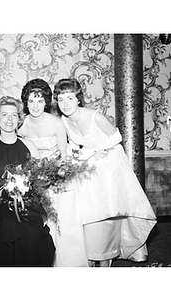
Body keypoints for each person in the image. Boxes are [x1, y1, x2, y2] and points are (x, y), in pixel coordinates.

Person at [53, 77, 157, 267]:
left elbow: (116, 137)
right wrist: (78, 156)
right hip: (89, 162)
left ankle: (106, 256)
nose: (65, 104)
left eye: (69, 98)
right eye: (61, 99)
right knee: (87, 212)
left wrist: (94, 151)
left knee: (108, 210)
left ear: (78, 99)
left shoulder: (95, 116)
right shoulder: (64, 120)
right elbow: (75, 144)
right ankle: (93, 252)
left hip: (110, 160)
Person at [18, 78, 89, 266]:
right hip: (33, 179)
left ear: (47, 102)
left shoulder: (57, 123)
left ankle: (67, 263)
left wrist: (54, 174)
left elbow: (64, 158)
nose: (35, 105)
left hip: (57, 177)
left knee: (63, 220)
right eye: (31, 100)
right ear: (25, 102)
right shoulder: (21, 125)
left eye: (40, 100)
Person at [0, 96, 55, 266]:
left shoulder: (28, 144)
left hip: (28, 203)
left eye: (14, 115)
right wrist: (5, 193)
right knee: (8, 227)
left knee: (33, 233)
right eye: (5, 115)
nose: (9, 119)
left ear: (19, 119)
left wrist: (32, 188)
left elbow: (40, 177)